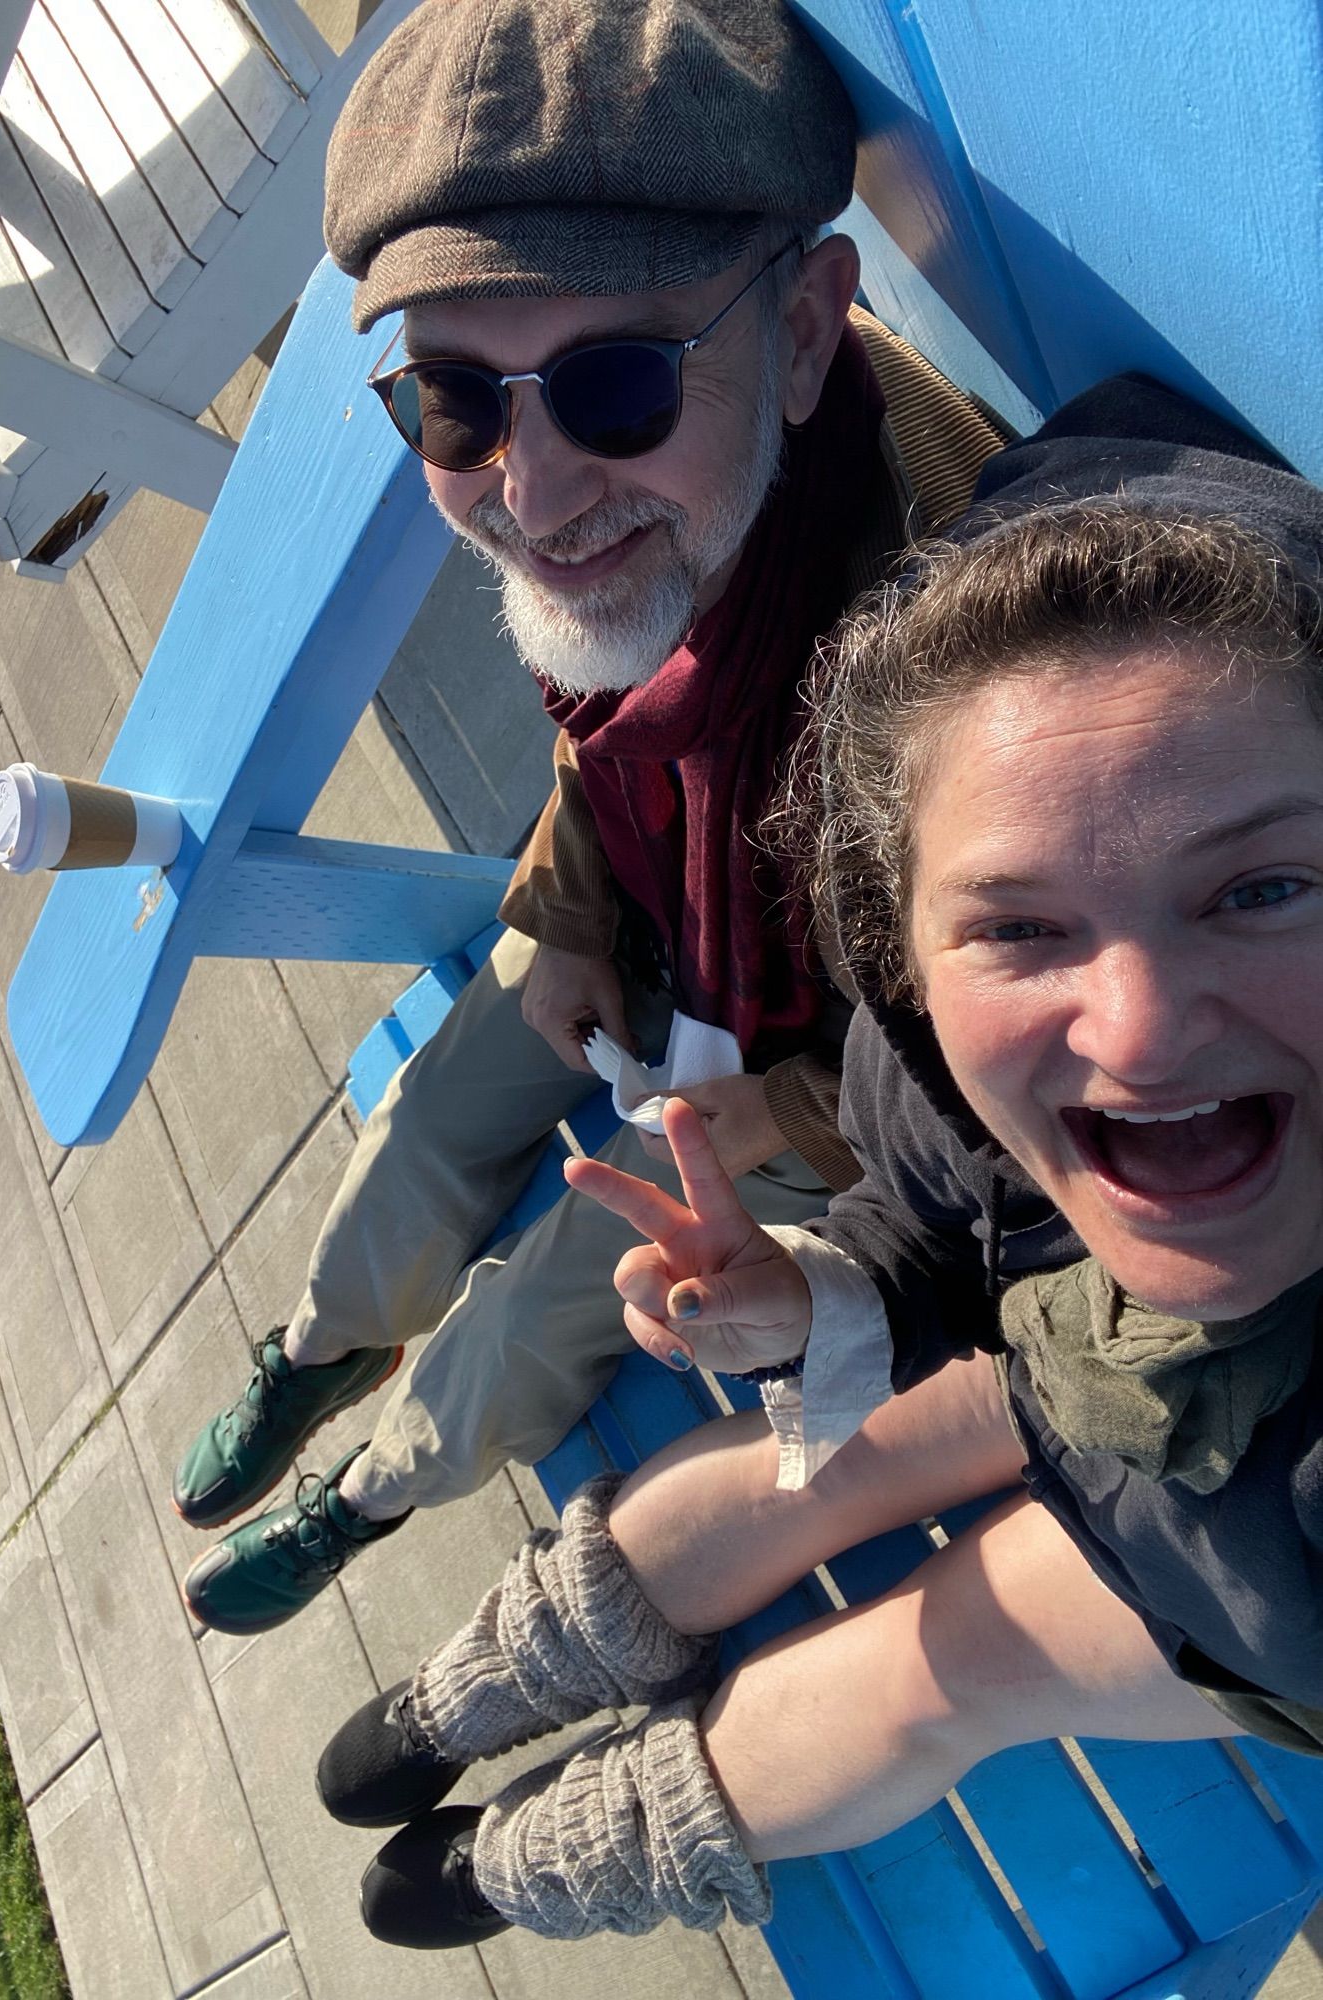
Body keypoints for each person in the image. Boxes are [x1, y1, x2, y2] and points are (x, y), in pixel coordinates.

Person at [314, 379, 1323, 1950]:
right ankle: (545, 1645)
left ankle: (588, 1834)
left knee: (943, 1666)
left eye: (1261, 888)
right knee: (834, 1443)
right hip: (1058, 1337)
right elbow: (923, 1230)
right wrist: (809, 1301)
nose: (1138, 1033)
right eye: (1016, 925)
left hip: (1236, 1555)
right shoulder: (938, 1066)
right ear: (901, 945)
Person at [173, 0, 1006, 1634]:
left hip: (823, 1070)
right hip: (650, 913)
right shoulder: (701, 501)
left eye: (616, 384)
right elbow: (606, 744)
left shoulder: (963, 662)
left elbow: (989, 1055)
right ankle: (327, 1339)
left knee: (569, 1287)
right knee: (437, 1103)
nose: (534, 498)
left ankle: (382, 1481)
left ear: (811, 327)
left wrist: (781, 1115)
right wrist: (560, 912)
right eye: (458, 404)